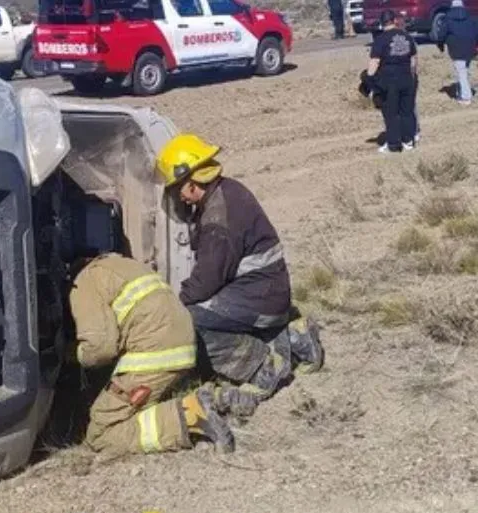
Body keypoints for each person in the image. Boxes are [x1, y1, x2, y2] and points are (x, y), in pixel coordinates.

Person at [155, 134, 324, 417]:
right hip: (269, 293)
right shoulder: (227, 191)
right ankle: (296, 339)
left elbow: (205, 283)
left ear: (192, 183)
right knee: (216, 314)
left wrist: (175, 306)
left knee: (191, 323)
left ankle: (261, 367)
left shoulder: (217, 220)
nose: (178, 197)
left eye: (177, 190)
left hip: (262, 298)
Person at [67, 252, 235, 455]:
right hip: (184, 343)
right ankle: (216, 398)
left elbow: (101, 348)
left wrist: (75, 355)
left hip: (155, 352)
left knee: (101, 432)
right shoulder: (125, 264)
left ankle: (189, 415)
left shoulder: (85, 281)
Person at [368, 10, 419, 153]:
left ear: (382, 22)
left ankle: (393, 143)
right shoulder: (406, 36)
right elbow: (414, 59)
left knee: (391, 113)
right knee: (407, 111)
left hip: (389, 80)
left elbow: (375, 61)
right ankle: (408, 141)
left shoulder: (380, 40)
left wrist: (370, 80)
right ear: (394, 20)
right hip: (407, 78)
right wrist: (413, 77)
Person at [436, 0, 478, 105]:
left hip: (456, 48)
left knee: (461, 72)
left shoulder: (447, 19)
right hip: (470, 48)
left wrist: (440, 45)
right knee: (464, 70)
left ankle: (466, 97)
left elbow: (441, 34)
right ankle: (462, 92)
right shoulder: (471, 18)